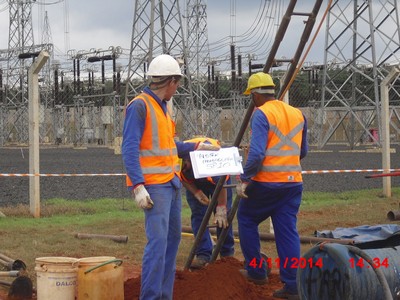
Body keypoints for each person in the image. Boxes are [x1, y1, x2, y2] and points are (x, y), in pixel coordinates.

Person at [121, 54, 219, 300]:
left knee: (171, 241)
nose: (177, 88)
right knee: (157, 244)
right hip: (155, 188)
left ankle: (164, 295)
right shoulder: (140, 106)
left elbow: (169, 147)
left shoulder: (162, 108)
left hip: (171, 184)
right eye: (178, 83)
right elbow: (129, 147)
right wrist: (138, 186)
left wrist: (197, 148)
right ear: (172, 81)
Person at [236, 72, 308, 299]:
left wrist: (245, 178)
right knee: (287, 232)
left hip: (266, 184)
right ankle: (293, 286)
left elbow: (256, 154)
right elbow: (302, 151)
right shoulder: (297, 113)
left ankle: (257, 271)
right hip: (293, 184)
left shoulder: (261, 114)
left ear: (256, 95)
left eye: (251, 96)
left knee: (246, 219)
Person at [181, 137, 235, 269]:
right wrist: (196, 192)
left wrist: (221, 208)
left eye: (186, 165)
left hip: (219, 177)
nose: (185, 168)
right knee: (198, 215)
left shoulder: (208, 160)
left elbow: (220, 183)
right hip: (196, 180)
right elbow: (182, 177)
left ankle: (226, 254)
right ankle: (203, 254)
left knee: (224, 218)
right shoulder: (178, 159)